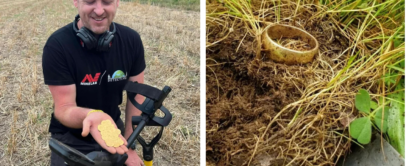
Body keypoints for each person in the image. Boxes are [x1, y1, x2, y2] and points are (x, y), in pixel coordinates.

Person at [42, 0, 145, 165]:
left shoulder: (131, 41)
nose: (99, 11)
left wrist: (130, 143)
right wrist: (91, 116)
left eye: (107, 1)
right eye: (90, 1)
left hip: (112, 128)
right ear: (76, 1)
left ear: (117, 2)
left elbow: (137, 96)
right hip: (70, 136)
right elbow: (63, 108)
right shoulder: (58, 46)